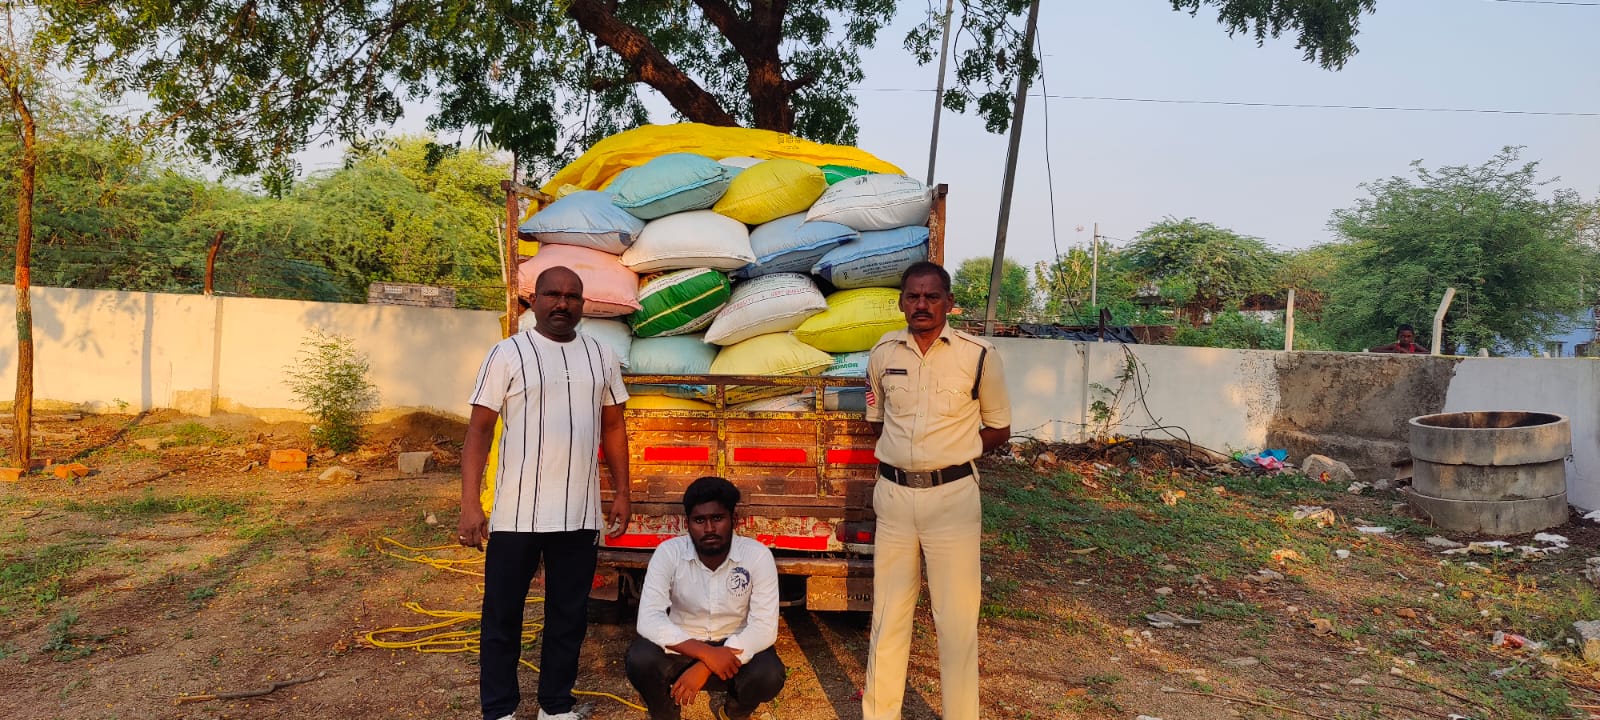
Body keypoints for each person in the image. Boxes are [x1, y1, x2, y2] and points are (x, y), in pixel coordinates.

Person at [458, 266, 633, 720]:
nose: (562, 303)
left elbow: (614, 426)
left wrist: (622, 491)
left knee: (568, 617)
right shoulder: (507, 354)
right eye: (552, 294)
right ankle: (499, 710)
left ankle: (555, 707)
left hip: (579, 514)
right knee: (502, 616)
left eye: (572, 296)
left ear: (583, 304)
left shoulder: (601, 355)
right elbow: (479, 430)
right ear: (533, 301)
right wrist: (470, 502)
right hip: (517, 513)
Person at [862, 261, 1011, 720]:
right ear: (901, 302)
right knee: (888, 617)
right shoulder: (883, 353)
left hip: (953, 500)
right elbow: (878, 421)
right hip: (894, 498)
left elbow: (999, 428)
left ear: (949, 302)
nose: (921, 305)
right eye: (913, 296)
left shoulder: (978, 355)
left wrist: (953, 453)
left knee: (957, 623)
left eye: (931, 297)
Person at [625, 476, 784, 720]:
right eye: (699, 520)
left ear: (734, 520)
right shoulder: (669, 553)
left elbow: (764, 628)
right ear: (687, 523)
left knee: (769, 674)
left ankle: (735, 712)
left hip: (733, 649)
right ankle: (665, 714)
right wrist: (705, 653)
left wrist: (707, 663)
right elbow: (648, 619)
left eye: (717, 518)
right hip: (683, 646)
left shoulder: (757, 556)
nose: (709, 529)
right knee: (640, 659)